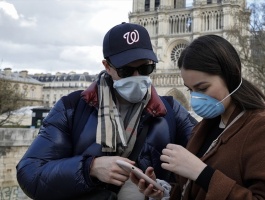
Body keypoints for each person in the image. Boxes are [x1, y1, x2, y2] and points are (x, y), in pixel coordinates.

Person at [16, 22, 197, 200]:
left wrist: (168, 191)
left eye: (145, 68)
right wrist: (90, 168)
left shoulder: (171, 111)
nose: (137, 77)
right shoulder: (71, 108)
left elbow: (208, 164)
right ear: (107, 66)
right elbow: (30, 173)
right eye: (126, 70)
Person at [131, 35, 265, 200]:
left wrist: (201, 172)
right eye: (190, 90)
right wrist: (164, 192)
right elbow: (193, 189)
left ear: (230, 76)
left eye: (203, 88)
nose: (195, 98)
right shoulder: (205, 127)